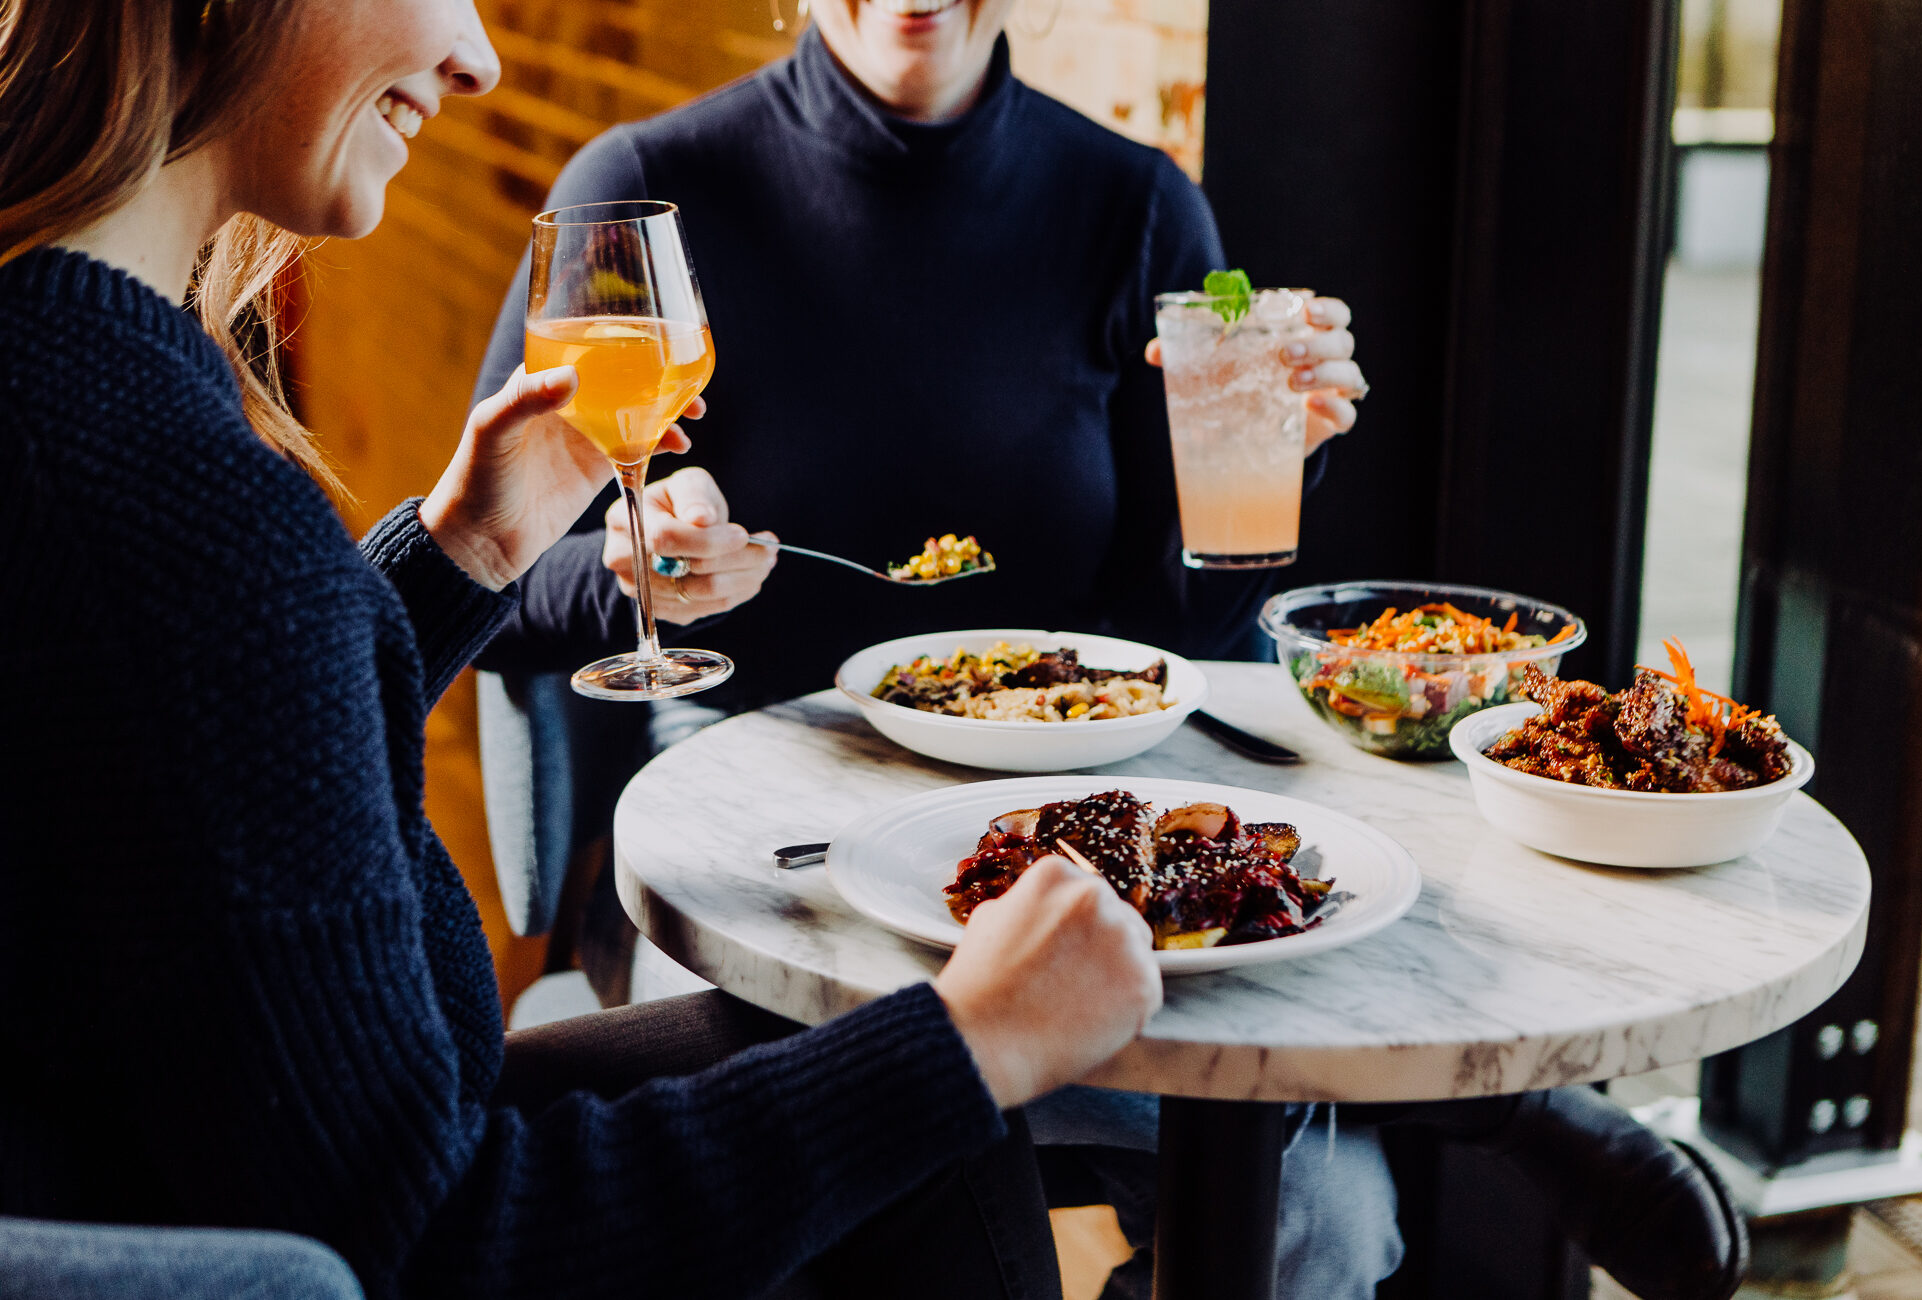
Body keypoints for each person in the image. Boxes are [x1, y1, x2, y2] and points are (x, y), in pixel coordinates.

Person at [0, 2, 1163, 1297]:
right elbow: (441, 1247)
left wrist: (462, 557)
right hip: (325, 1225)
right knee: (926, 1115)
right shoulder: (177, 513)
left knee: (921, 1139)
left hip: (167, 1170)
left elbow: (186, 760)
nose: (480, 59)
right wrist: (969, 1042)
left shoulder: (70, 388)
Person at [461, 5, 1393, 1297]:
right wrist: (635, 566)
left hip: (1067, 825)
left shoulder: (1139, 206)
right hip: (753, 834)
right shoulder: (642, 192)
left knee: (1323, 1211)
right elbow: (489, 589)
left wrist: (1264, 466)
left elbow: (1167, 632)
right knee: (884, 1199)